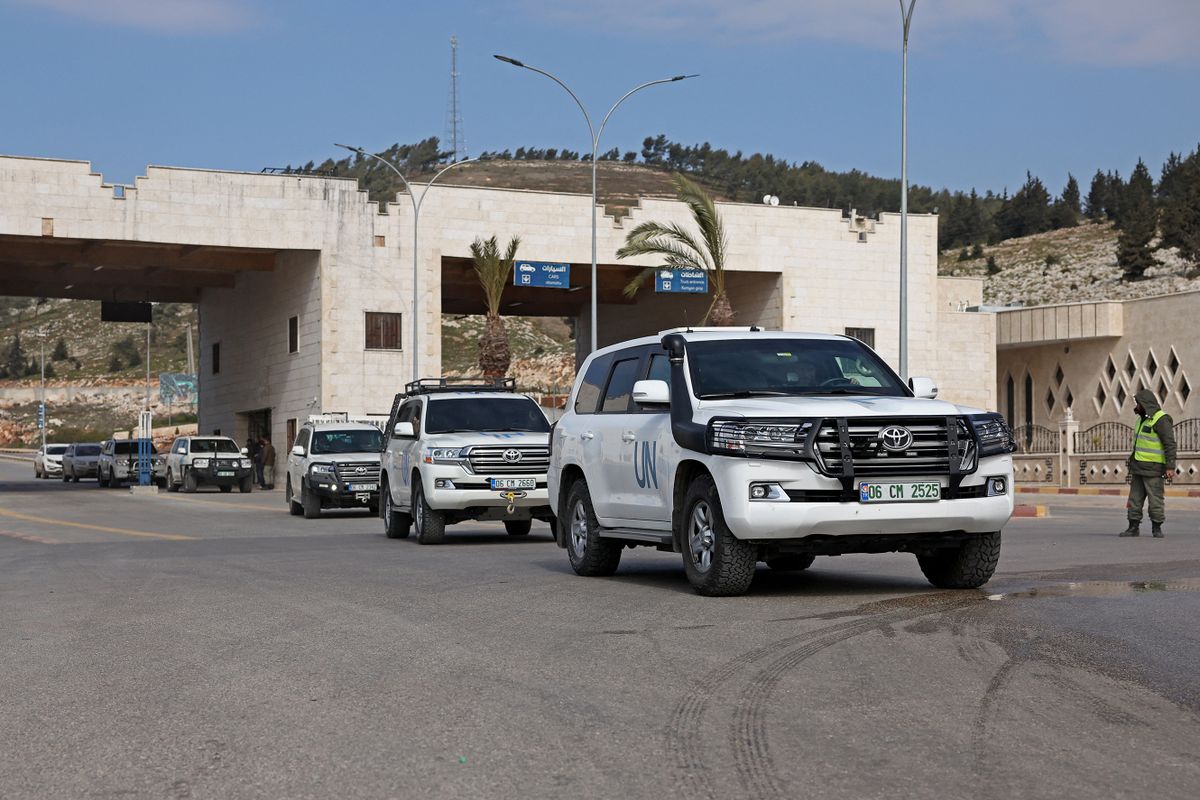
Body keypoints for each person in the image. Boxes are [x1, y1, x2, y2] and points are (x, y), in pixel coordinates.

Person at [1119, 389, 1177, 538]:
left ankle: (1156, 528)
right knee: (1134, 499)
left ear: (1145, 404)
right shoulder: (1141, 419)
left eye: (1138, 403)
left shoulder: (1161, 419)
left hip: (1154, 469)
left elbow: (1169, 444)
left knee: (1155, 499)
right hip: (1138, 467)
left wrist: (1170, 466)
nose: (1136, 406)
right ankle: (1133, 527)